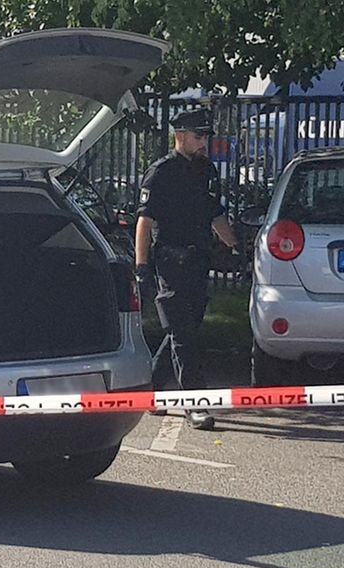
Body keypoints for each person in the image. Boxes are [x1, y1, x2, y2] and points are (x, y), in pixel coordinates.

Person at [134, 108, 238, 431]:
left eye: (206, 135)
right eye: (199, 135)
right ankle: (195, 402)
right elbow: (144, 221)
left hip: (198, 261)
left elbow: (215, 213)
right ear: (180, 136)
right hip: (170, 261)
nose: (204, 141)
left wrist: (233, 247)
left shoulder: (206, 170)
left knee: (184, 330)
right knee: (183, 335)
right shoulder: (161, 172)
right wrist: (140, 266)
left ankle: (151, 388)